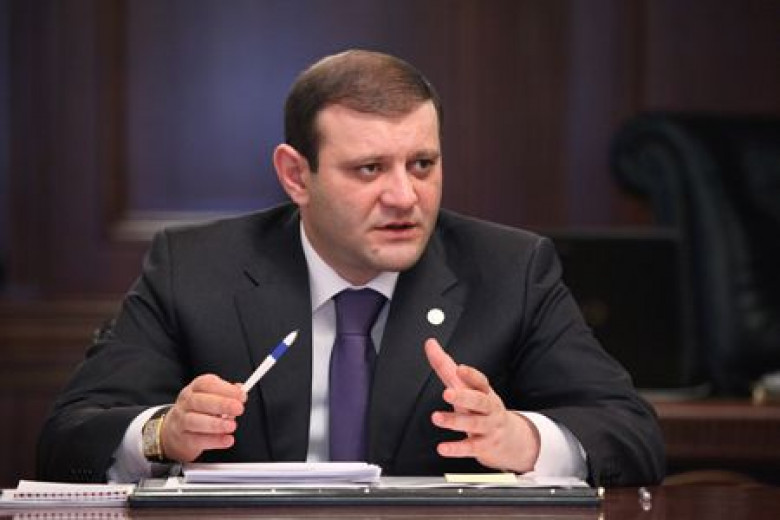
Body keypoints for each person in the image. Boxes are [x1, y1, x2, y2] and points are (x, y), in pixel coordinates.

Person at [37, 49, 665, 486]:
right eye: (369, 169)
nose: (404, 196)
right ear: (296, 175)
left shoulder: (509, 270)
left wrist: (522, 439)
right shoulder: (197, 268)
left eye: (422, 165)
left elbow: (632, 434)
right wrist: (163, 434)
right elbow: (67, 438)